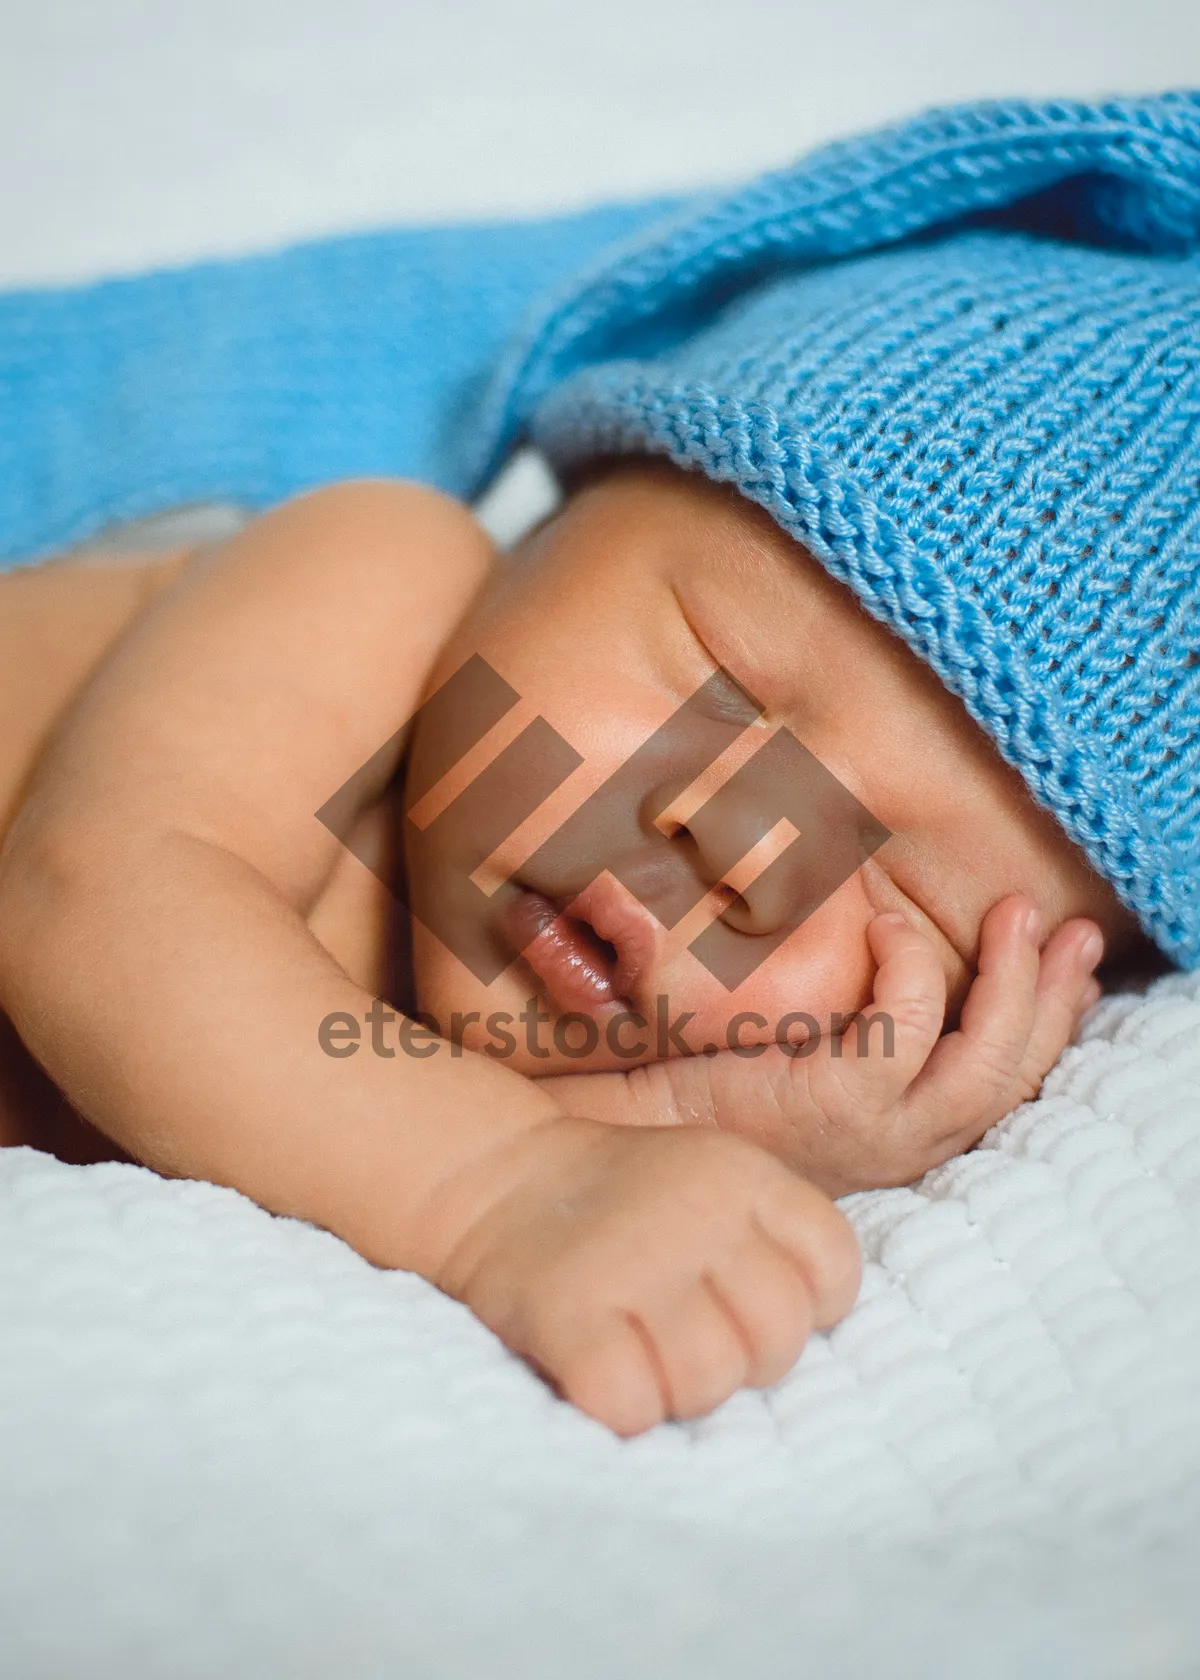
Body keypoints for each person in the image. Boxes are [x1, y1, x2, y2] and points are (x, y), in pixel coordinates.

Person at [0, 94, 1194, 1436]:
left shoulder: (485, 1051)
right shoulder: (376, 576)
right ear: (572, 511)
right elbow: (95, 903)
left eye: (904, 912)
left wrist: (690, 1119)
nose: (740, 848)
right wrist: (510, 1191)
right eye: (722, 680)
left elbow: (336, 1095)